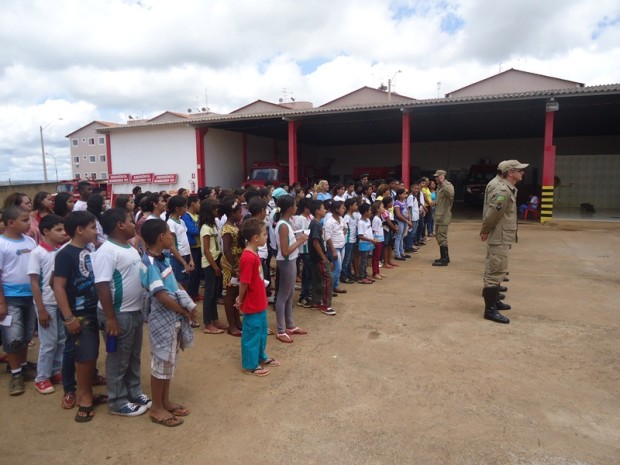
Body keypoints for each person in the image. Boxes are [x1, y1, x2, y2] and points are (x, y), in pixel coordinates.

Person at [94, 208, 151, 416]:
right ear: (120, 225)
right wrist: (110, 318)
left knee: (133, 356)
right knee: (118, 359)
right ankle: (117, 401)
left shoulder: (129, 247)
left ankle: (134, 392)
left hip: (134, 311)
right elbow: (102, 285)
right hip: (118, 314)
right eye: (130, 221)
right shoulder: (107, 251)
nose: (134, 224)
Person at [140, 219, 196, 427]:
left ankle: (164, 401)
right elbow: (162, 296)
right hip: (163, 318)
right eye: (169, 233)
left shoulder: (162, 258)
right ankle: (156, 408)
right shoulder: (150, 263)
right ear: (161, 237)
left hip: (172, 318)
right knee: (161, 361)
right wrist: (184, 310)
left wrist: (185, 304)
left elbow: (174, 283)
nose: (172, 236)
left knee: (168, 361)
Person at [53, 211, 102, 422]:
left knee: (91, 352)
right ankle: (84, 398)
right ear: (79, 230)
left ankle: (86, 390)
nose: (96, 231)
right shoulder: (65, 254)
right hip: (78, 313)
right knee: (85, 354)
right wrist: (68, 317)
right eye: (92, 227)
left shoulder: (89, 249)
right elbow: (58, 286)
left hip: (93, 308)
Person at [480, 160, 528, 324]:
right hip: (498, 236)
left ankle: (495, 302)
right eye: (519, 170)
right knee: (494, 271)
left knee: (500, 269)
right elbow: (493, 213)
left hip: (503, 235)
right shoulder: (503, 190)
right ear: (510, 173)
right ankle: (489, 310)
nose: (522, 173)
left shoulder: (508, 188)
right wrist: (485, 230)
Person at [235, 218, 280, 376]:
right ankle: (250, 365)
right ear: (255, 238)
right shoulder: (248, 257)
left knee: (261, 332)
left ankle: (260, 356)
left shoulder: (254, 254)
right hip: (252, 303)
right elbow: (244, 282)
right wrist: (240, 298)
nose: (266, 237)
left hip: (259, 301)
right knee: (251, 334)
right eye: (264, 234)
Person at [0, 206, 37, 396]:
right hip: (10, 297)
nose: (29, 223)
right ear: (11, 223)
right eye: (25, 220)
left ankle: (22, 365)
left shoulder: (30, 242)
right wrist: (1, 302)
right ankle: (15, 374)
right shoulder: (2, 244)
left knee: (27, 334)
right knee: (12, 337)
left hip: (30, 296)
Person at [27, 214, 66, 395]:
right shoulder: (38, 253)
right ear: (46, 231)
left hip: (60, 303)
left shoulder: (60, 251)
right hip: (47, 303)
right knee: (48, 342)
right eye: (58, 230)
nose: (63, 233)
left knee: (61, 340)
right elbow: (34, 282)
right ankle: (42, 377)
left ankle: (56, 371)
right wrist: (41, 309)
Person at [274, 195, 308, 343]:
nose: (296, 208)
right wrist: (299, 241)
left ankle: (290, 325)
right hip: (286, 261)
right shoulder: (283, 225)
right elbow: (285, 251)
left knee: (289, 294)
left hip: (290, 260)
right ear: (290, 208)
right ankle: (281, 329)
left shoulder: (286, 223)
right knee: (283, 295)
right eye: (295, 206)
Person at [199, 198, 227, 334]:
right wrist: (215, 267)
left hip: (217, 260)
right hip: (210, 263)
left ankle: (214, 319)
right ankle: (208, 323)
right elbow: (206, 250)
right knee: (209, 294)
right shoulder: (205, 228)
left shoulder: (213, 225)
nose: (217, 210)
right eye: (215, 208)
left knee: (215, 293)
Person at [220, 199, 244, 336]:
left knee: (236, 293)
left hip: (237, 262)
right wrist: (234, 266)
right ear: (232, 213)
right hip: (231, 264)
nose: (241, 214)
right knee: (230, 294)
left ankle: (237, 321)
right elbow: (227, 250)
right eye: (239, 212)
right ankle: (231, 325)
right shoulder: (227, 228)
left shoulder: (234, 226)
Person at [308, 200, 335, 315]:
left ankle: (316, 302)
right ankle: (326, 305)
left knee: (318, 279)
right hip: (319, 257)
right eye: (323, 208)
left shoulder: (316, 223)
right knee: (328, 279)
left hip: (316, 257)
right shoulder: (315, 224)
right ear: (317, 211)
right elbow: (315, 242)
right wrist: (323, 257)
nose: (325, 210)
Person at [166, 196, 194, 291]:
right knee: (178, 284)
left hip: (185, 256)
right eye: (185, 207)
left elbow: (186, 242)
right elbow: (172, 247)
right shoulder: (171, 223)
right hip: (178, 258)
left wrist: (191, 259)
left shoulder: (181, 221)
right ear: (177, 209)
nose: (186, 209)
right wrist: (184, 263)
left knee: (186, 282)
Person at [431, 170, 455, 267]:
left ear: (442, 176)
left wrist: (443, 183)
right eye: (435, 177)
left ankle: (444, 259)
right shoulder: (439, 187)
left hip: (444, 216)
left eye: (437, 177)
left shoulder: (447, 186)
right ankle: (444, 257)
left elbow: (450, 194)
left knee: (442, 237)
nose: (436, 178)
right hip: (438, 215)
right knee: (438, 236)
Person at [324, 200, 347, 294]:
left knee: (337, 267)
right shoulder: (329, 222)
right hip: (334, 247)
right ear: (337, 209)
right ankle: (331, 287)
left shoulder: (341, 219)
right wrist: (333, 250)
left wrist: (342, 234)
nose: (344, 209)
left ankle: (335, 286)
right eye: (342, 208)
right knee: (338, 267)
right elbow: (327, 237)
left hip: (341, 245)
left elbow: (345, 228)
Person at [182, 195, 202, 301]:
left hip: (199, 246)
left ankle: (195, 292)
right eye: (198, 203)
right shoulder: (186, 216)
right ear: (193, 203)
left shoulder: (197, 216)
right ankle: (190, 293)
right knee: (193, 271)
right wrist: (201, 227)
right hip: (192, 247)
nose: (200, 205)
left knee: (198, 272)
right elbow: (193, 231)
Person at [356, 203, 375, 284]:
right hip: (364, 244)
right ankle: (361, 277)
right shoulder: (361, 222)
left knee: (366, 260)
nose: (371, 212)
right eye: (369, 210)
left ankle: (364, 274)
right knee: (363, 261)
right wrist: (370, 240)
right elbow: (360, 236)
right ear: (365, 212)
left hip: (369, 243)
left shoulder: (368, 220)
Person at [341, 198, 358, 284]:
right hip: (348, 240)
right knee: (347, 259)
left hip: (352, 240)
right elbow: (345, 228)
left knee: (350, 258)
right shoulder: (347, 217)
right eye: (355, 205)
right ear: (350, 206)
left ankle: (348, 274)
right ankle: (344, 276)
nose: (357, 206)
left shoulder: (353, 216)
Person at [370, 201, 386, 280]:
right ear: (377, 209)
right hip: (377, 240)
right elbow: (373, 230)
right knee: (376, 257)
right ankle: (375, 272)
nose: (384, 209)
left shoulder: (379, 218)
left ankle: (378, 272)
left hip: (380, 239)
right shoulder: (376, 219)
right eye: (382, 207)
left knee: (378, 257)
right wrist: (374, 240)